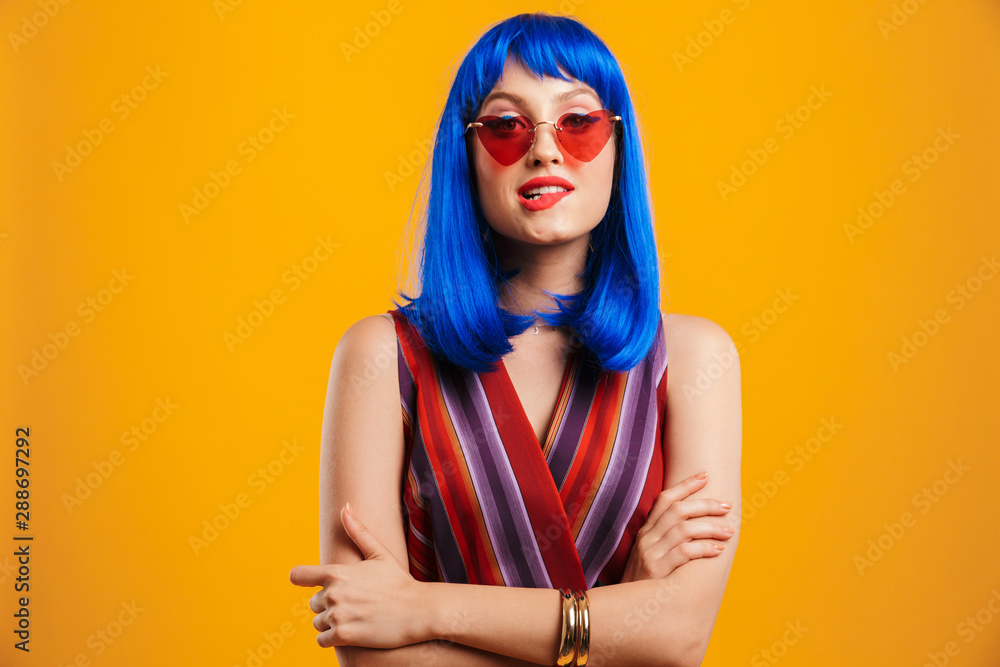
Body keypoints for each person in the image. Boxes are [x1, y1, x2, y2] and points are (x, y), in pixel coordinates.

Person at [290, 12, 741, 667]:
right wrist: (619, 613)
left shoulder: (696, 359)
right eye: (506, 126)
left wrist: (422, 608)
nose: (545, 149)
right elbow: (373, 655)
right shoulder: (379, 358)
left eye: (578, 123)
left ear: (619, 147)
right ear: (466, 154)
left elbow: (679, 637)